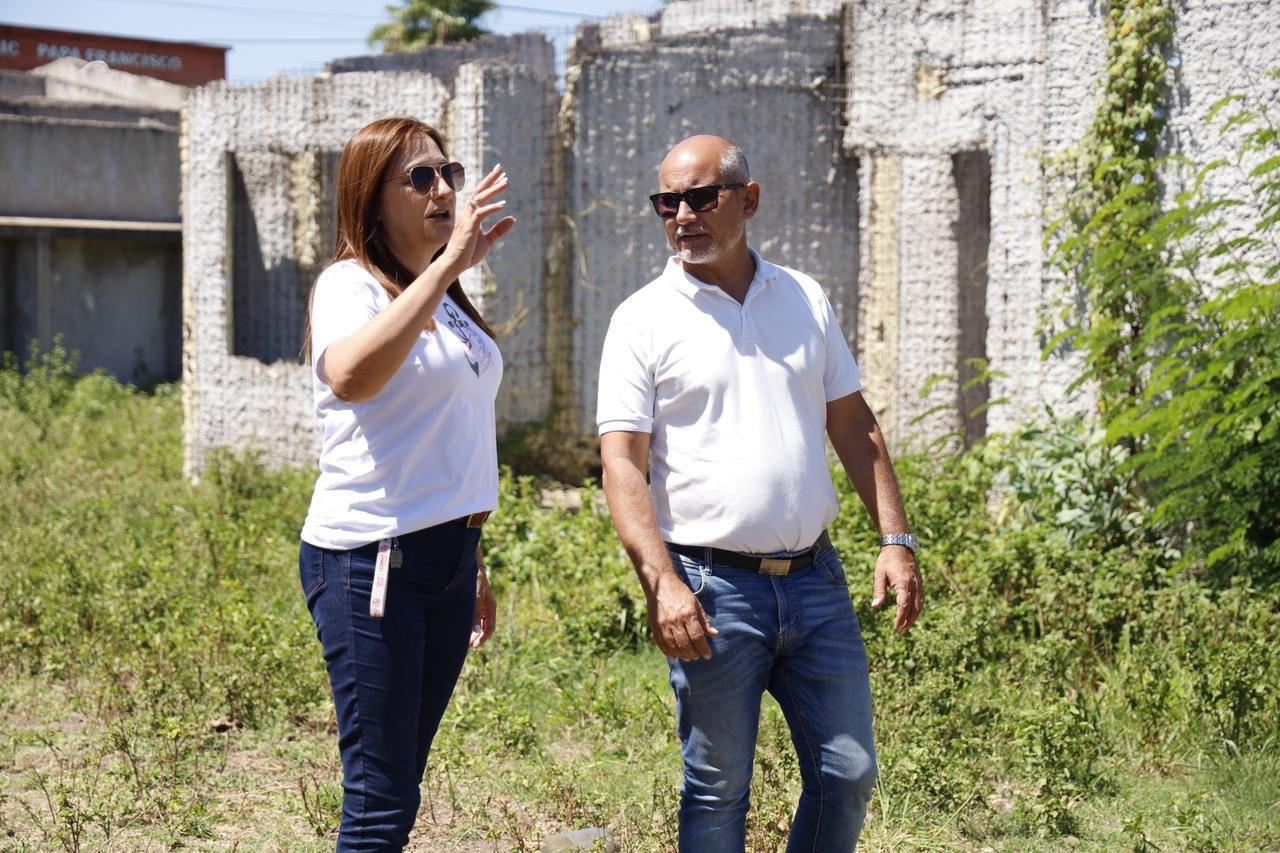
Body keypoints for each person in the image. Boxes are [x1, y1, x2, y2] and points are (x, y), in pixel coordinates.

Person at [597, 135, 925, 852]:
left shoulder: (802, 296)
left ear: (747, 199)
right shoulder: (642, 319)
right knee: (718, 790)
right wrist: (663, 585)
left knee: (848, 772)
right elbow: (621, 464)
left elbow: (852, 421)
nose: (681, 214)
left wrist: (895, 540)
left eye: (700, 197)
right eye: (666, 202)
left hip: (816, 581)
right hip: (711, 592)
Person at [297, 116, 516, 850]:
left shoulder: (441, 294)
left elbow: (449, 437)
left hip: (444, 560)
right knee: (381, 797)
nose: (442, 190)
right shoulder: (349, 284)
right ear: (371, 197)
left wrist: (471, 558)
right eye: (419, 178)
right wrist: (447, 265)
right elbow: (353, 375)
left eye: (447, 173)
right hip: (371, 558)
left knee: (402, 782)